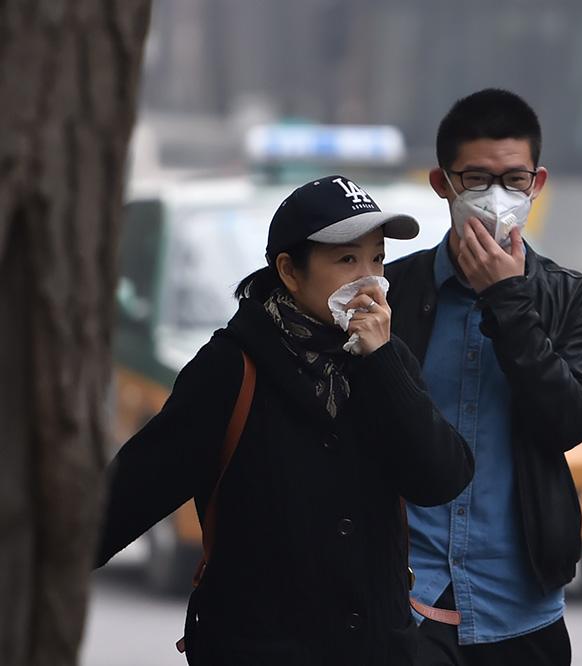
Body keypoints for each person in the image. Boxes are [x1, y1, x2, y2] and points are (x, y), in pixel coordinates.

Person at [95, 175, 474, 665]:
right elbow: (133, 493)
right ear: (290, 272)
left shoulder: (385, 360)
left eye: (377, 258)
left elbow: (442, 477)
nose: (369, 280)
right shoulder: (231, 368)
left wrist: (382, 364)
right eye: (346, 259)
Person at [385, 89, 582, 665]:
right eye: (477, 178)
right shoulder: (393, 293)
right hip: (404, 602)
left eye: (514, 180)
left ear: (537, 184)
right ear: (442, 183)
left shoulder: (571, 299)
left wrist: (507, 299)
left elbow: (571, 419)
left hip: (520, 610)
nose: (496, 197)